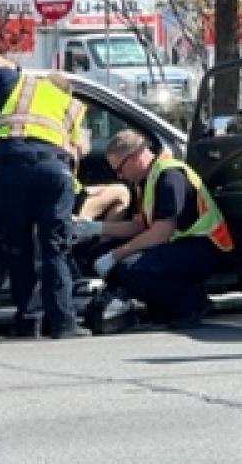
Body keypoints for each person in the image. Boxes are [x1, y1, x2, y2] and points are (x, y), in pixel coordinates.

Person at [0, 50, 90, 339]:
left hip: (13, 167)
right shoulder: (72, 105)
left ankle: (28, 321)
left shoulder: (17, 84)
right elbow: (81, 151)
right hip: (53, 169)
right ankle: (63, 323)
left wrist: (10, 65)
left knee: (17, 247)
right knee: (55, 248)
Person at [83, 129, 233, 330]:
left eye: (120, 169)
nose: (120, 175)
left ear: (136, 157)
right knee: (100, 254)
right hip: (177, 244)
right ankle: (159, 308)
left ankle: (191, 305)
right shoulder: (146, 180)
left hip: (204, 247)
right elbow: (140, 226)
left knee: (132, 267)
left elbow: (162, 232)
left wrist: (116, 255)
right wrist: (97, 228)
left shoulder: (169, 176)